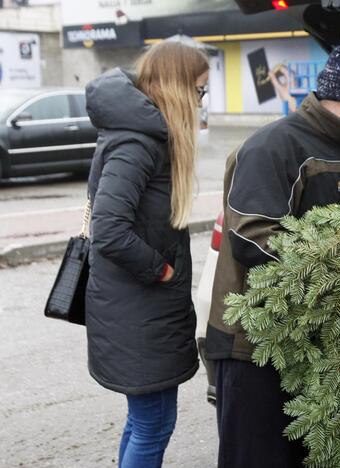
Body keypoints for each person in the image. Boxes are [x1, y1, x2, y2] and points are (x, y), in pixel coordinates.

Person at [205, 21, 340, 468]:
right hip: (256, 345)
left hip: (319, 339)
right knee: (256, 457)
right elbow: (253, 234)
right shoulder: (273, 147)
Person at [84, 42, 209, 468]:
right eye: (199, 90)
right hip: (139, 310)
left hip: (142, 310)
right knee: (153, 424)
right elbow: (109, 230)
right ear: (176, 88)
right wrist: (162, 271)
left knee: (143, 423)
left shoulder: (146, 136)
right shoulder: (137, 143)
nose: (201, 101)